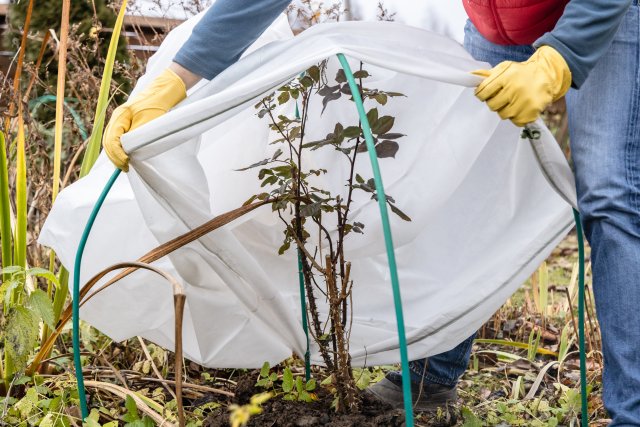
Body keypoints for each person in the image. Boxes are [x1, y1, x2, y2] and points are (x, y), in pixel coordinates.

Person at [102, 0, 640, 424]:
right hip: (496, 20)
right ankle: (429, 378)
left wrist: (561, 56)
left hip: (604, 14)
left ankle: (631, 413)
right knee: (460, 173)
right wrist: (176, 78)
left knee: (610, 193)